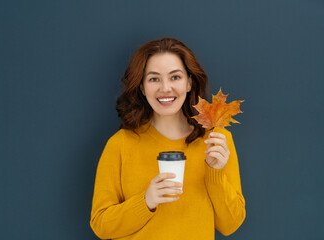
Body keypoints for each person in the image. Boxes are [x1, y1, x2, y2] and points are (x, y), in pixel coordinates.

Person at [90, 38, 246, 239]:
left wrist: (215, 174)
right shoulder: (120, 144)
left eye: (175, 77)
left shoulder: (216, 140)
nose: (165, 88)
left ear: (189, 82)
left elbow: (230, 225)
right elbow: (101, 226)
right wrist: (146, 201)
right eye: (154, 79)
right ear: (142, 87)